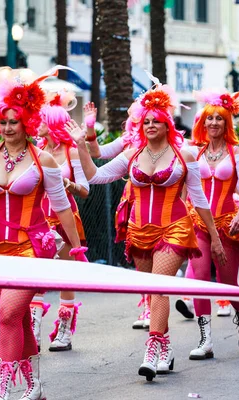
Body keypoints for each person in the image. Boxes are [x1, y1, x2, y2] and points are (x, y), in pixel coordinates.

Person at [71, 81, 226, 381]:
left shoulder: (186, 156)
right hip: (139, 229)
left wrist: (215, 237)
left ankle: (152, 350)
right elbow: (96, 176)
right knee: (153, 290)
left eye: (157, 121)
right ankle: (165, 347)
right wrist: (79, 145)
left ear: (168, 124)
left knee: (159, 287)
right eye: (146, 121)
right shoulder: (132, 153)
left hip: (176, 226)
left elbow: (200, 199)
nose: (151, 125)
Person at [0, 66, 84, 400]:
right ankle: (35, 383)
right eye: (4, 121)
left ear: (26, 120)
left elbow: (63, 207)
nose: (9, 128)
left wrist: (77, 247)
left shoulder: (44, 162)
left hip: (31, 248)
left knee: (8, 313)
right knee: (20, 318)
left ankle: (3, 385)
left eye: (15, 121)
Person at [182, 89, 239, 361]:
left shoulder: (237, 153)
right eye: (209, 118)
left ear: (227, 123)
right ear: (202, 122)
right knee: (199, 280)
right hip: (199, 223)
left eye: (219, 119)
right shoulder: (194, 152)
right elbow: (184, 186)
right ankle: (205, 339)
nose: (213, 123)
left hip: (227, 223)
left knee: (227, 282)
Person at [29, 90, 90, 353]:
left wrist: (67, 184)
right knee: (37, 277)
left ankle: (64, 332)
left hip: (66, 218)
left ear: (52, 124)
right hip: (39, 219)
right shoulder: (36, 151)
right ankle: (32, 332)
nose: (36, 124)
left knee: (66, 276)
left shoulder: (72, 153)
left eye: (42, 120)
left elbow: (85, 189)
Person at [83, 102, 152, 330]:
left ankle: (168, 292)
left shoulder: (170, 145)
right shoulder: (127, 142)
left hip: (165, 208)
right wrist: (90, 129)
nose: (140, 120)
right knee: (139, 254)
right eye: (138, 116)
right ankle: (149, 306)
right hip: (135, 202)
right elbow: (98, 154)